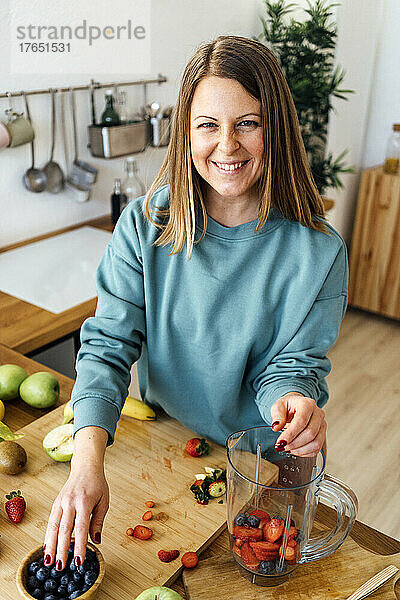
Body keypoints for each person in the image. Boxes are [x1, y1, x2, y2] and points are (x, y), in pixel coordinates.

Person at [43, 35, 348, 571]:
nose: (226, 145)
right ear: (186, 132)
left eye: (247, 122)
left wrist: (294, 399)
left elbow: (293, 365)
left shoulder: (320, 250)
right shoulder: (143, 227)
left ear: (274, 128)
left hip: (264, 467)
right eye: (208, 124)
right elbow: (109, 346)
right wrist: (87, 461)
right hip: (167, 440)